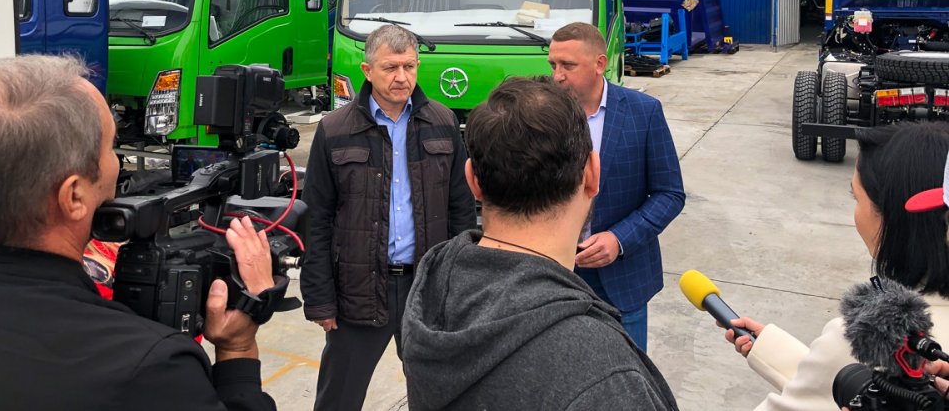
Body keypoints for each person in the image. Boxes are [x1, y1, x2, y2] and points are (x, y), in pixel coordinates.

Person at [0, 54, 278, 411]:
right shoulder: (151, 369)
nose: (117, 164)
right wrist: (238, 349)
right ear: (74, 196)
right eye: (110, 148)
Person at [401, 76, 679, 410]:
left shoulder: (432, 291)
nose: (560, 73)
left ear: (472, 179)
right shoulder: (607, 376)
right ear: (592, 174)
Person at [301, 24, 476, 410]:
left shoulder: (443, 123)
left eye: (409, 67)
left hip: (426, 287)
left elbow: (461, 210)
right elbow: (317, 219)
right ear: (367, 71)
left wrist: (461, 286)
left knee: (441, 395)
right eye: (390, 68)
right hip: (358, 290)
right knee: (339, 398)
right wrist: (320, 298)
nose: (402, 77)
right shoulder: (335, 130)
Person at [719, 123, 949, 411]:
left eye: (857, 198)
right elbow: (839, 385)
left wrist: (830, 353)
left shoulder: (872, 336)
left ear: (892, 218)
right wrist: (770, 347)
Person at [547, 21, 685, 351]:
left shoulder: (643, 113)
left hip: (622, 277)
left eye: (567, 65)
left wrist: (619, 239)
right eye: (552, 65)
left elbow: (669, 194)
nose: (557, 76)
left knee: (628, 372)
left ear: (599, 64)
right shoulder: (544, 115)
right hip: (556, 272)